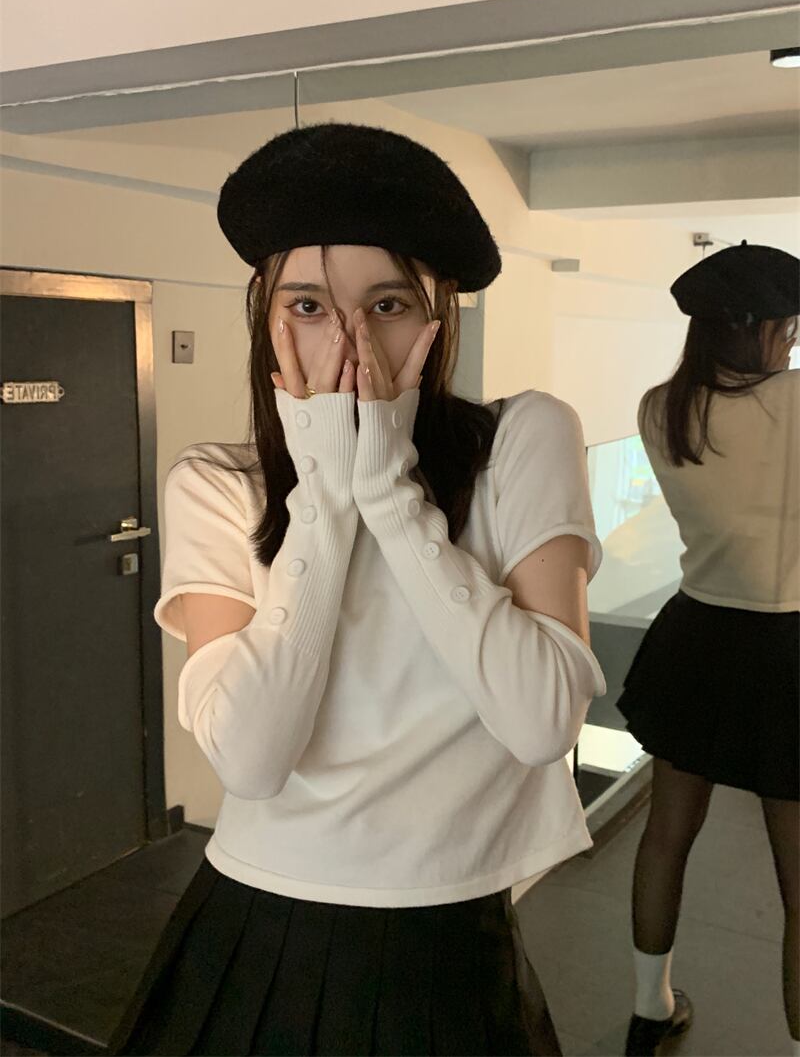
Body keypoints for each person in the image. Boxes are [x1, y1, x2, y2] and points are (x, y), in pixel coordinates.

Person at [106, 121, 608, 1056]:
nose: (350, 343)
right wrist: (329, 500)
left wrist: (386, 490)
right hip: (256, 926)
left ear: (438, 314)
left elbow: (543, 723)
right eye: (308, 305)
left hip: (452, 932)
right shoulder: (214, 484)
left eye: (388, 304)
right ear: (264, 318)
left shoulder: (522, 441)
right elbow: (252, 763)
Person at [615, 241, 800, 1057]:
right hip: (790, 647)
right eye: (787, 328)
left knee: (665, 834)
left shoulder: (662, 408)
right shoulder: (795, 401)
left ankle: (648, 1009)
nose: (792, 342)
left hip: (696, 637)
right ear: (755, 327)